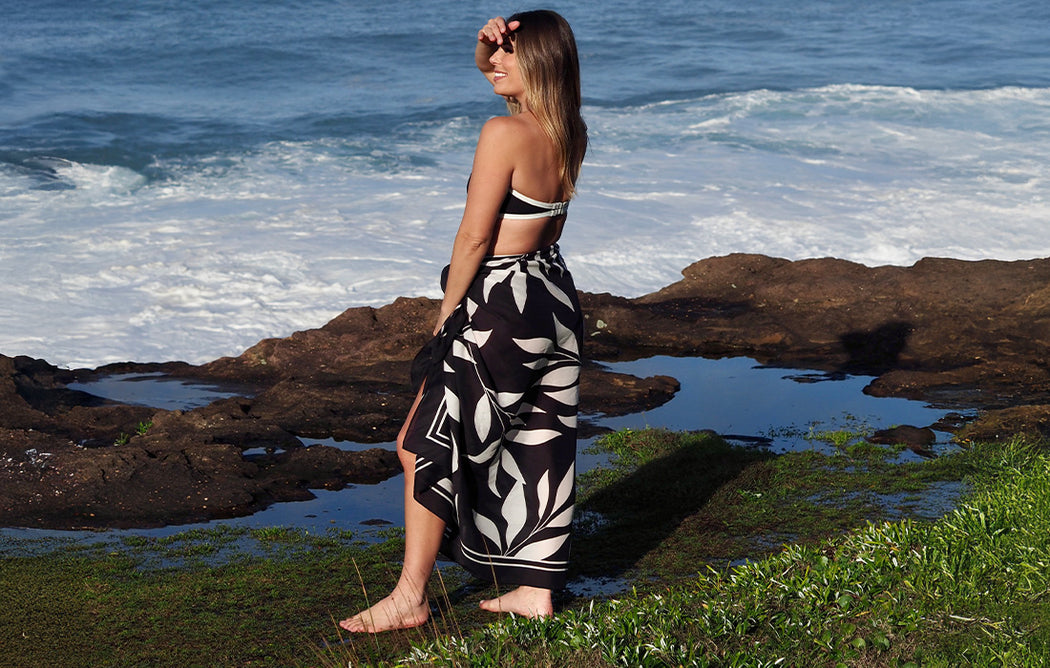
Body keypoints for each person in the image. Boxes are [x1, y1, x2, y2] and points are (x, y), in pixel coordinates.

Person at [340, 10, 587, 633]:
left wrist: (447, 317)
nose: (493, 65)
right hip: (552, 294)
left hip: (500, 301)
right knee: (539, 436)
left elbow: (475, 235)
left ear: (540, 64)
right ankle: (535, 590)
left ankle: (409, 597)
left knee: (421, 445)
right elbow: (501, 80)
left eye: (508, 56)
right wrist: (486, 48)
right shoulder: (568, 130)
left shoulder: (502, 135)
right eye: (495, 56)